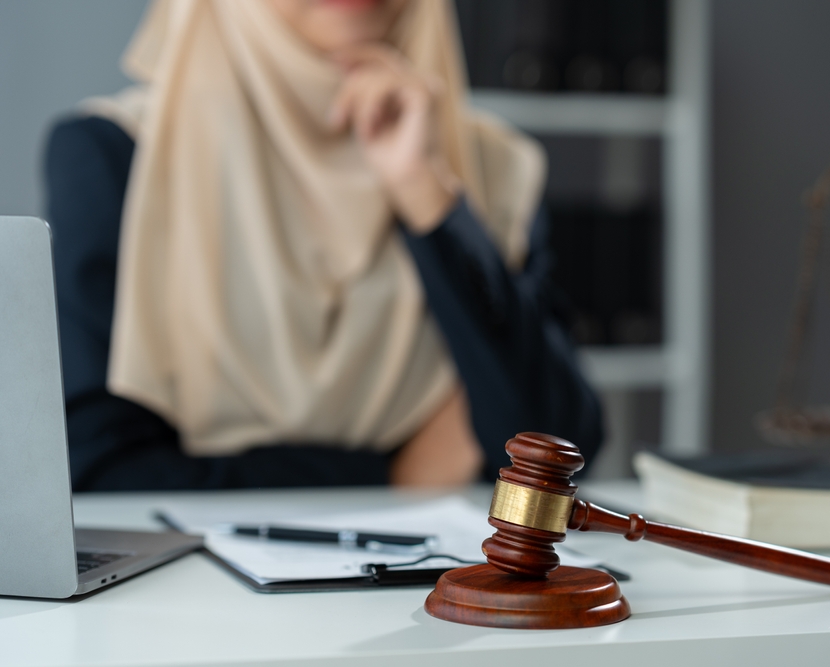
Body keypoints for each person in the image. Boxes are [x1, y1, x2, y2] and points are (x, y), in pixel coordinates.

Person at [44, 0, 602, 492]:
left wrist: (425, 191)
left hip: (439, 592)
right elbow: (100, 472)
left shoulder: (491, 168)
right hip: (194, 598)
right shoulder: (119, 156)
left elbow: (558, 450)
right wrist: (396, 475)